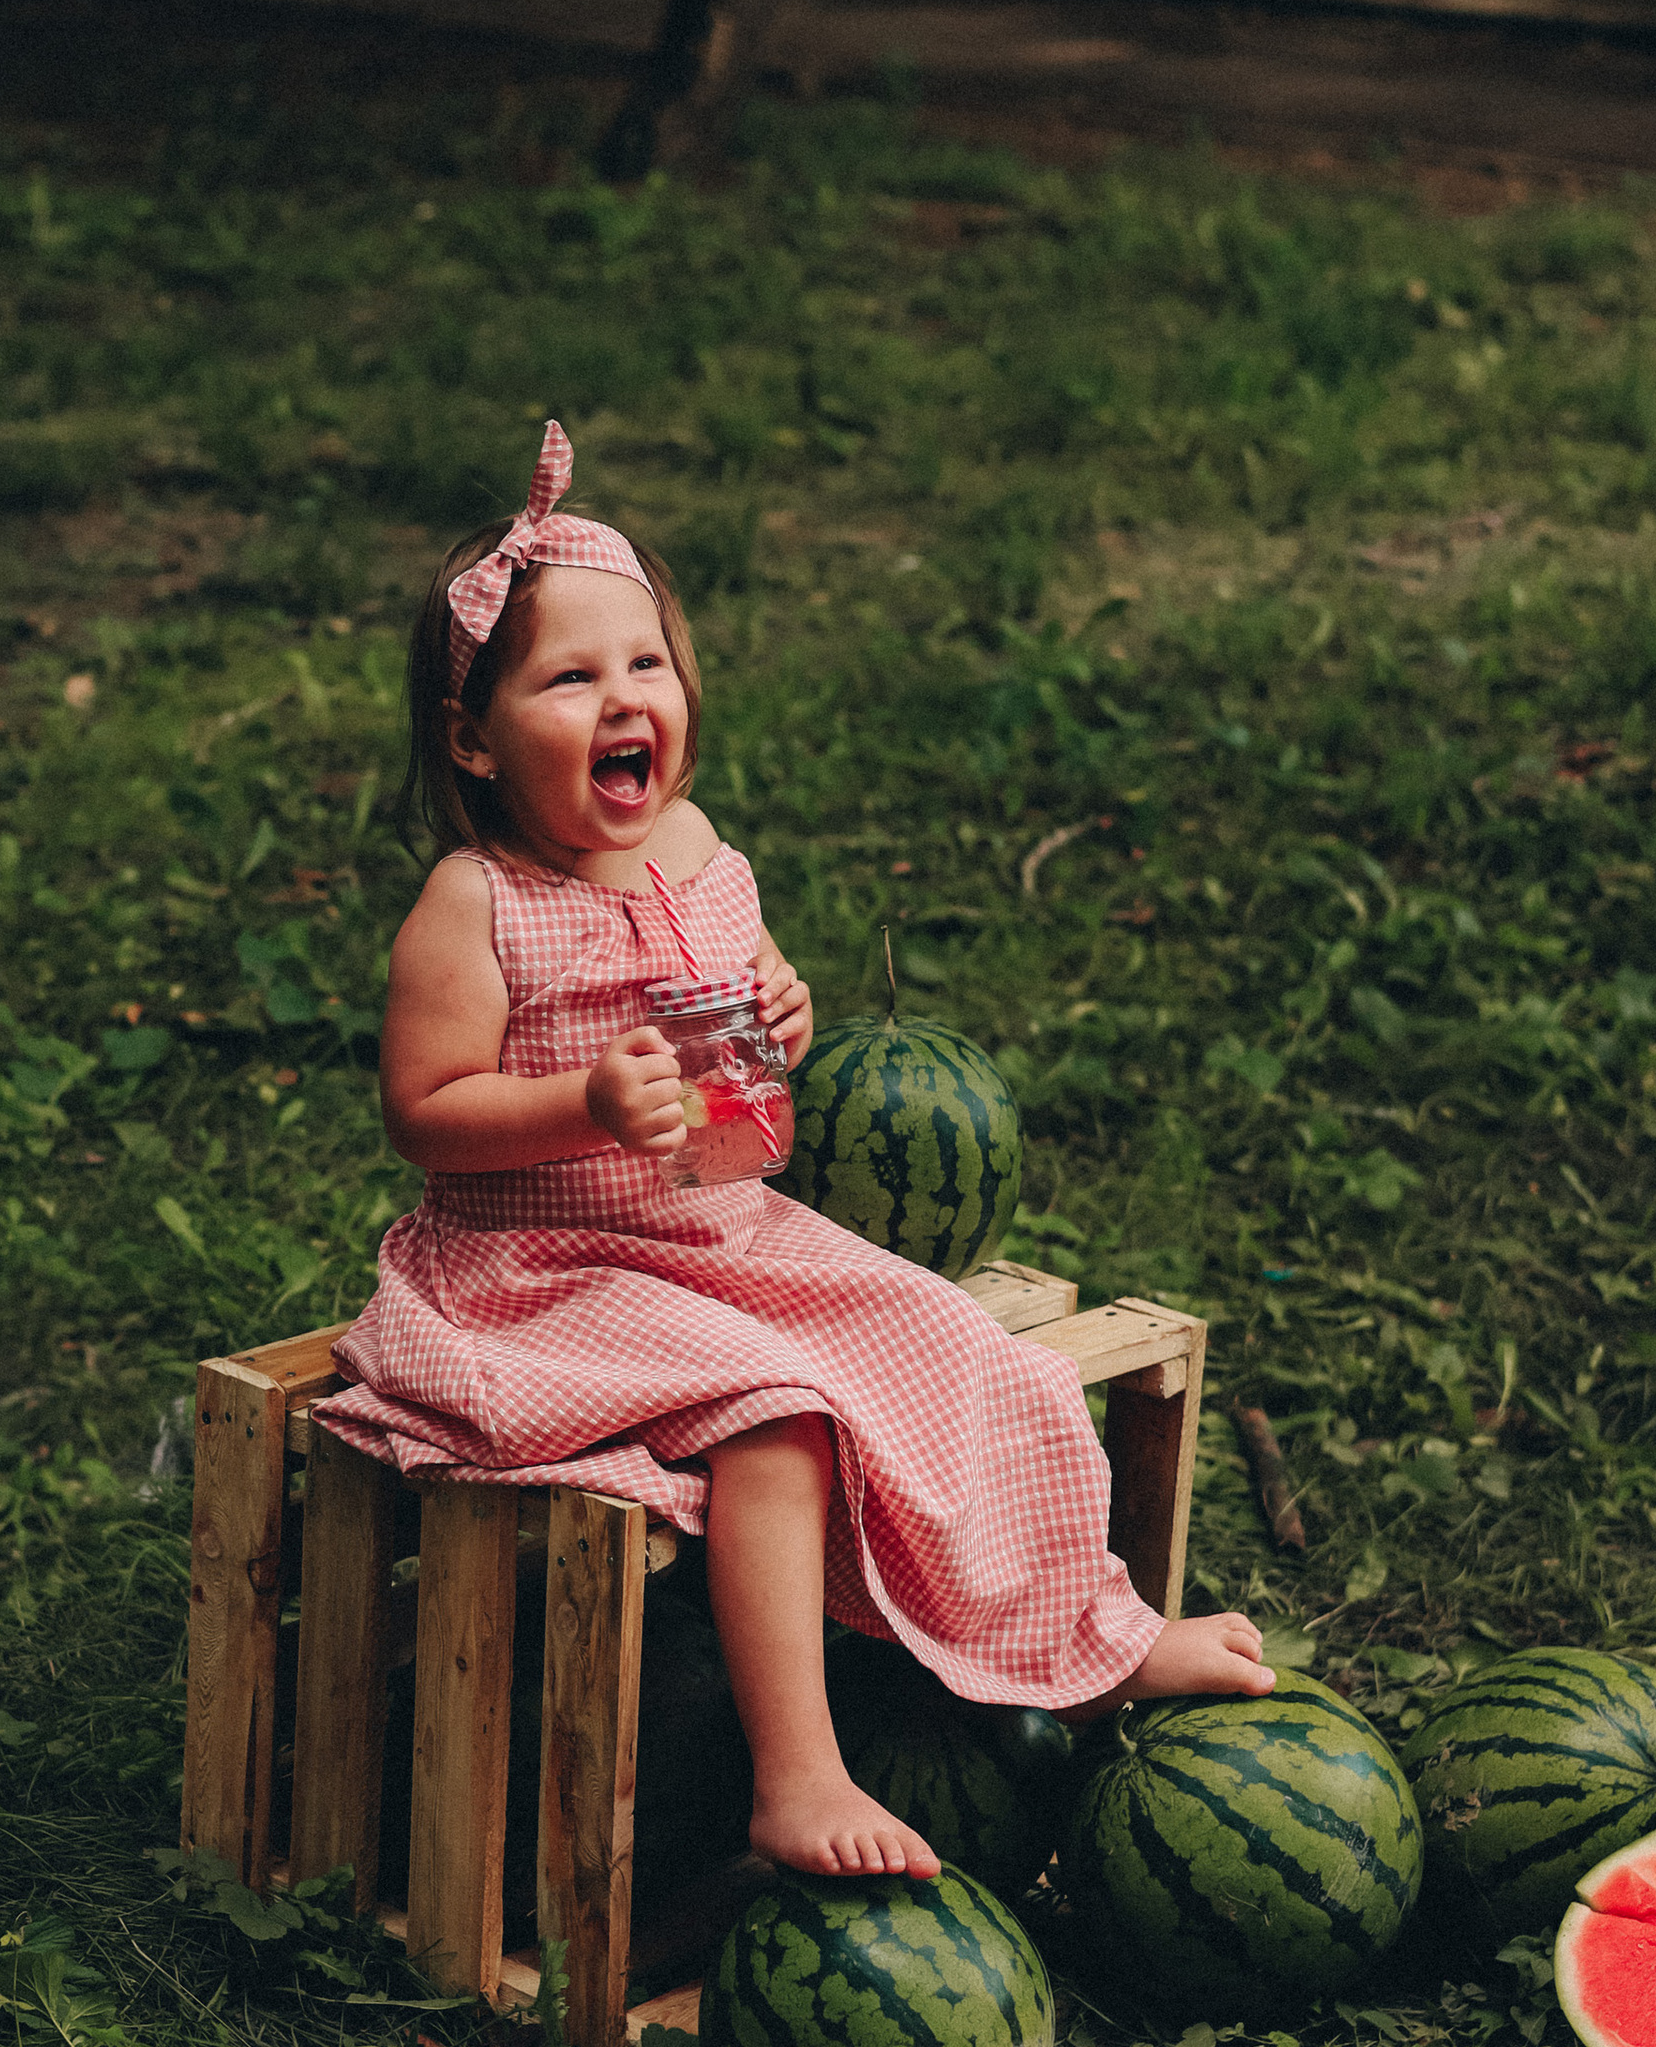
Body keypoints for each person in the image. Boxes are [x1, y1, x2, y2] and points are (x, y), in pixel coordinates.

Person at [312, 425, 1274, 1881]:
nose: (623, 697)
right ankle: (797, 1773)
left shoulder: (699, 848)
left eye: (646, 665)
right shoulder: (476, 901)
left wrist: (788, 1007)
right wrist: (576, 1104)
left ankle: (1097, 1639)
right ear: (474, 738)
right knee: (776, 1423)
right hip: (543, 1270)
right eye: (570, 679)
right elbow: (424, 1107)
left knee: (965, 1348)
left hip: (716, 1229)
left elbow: (756, 1005)